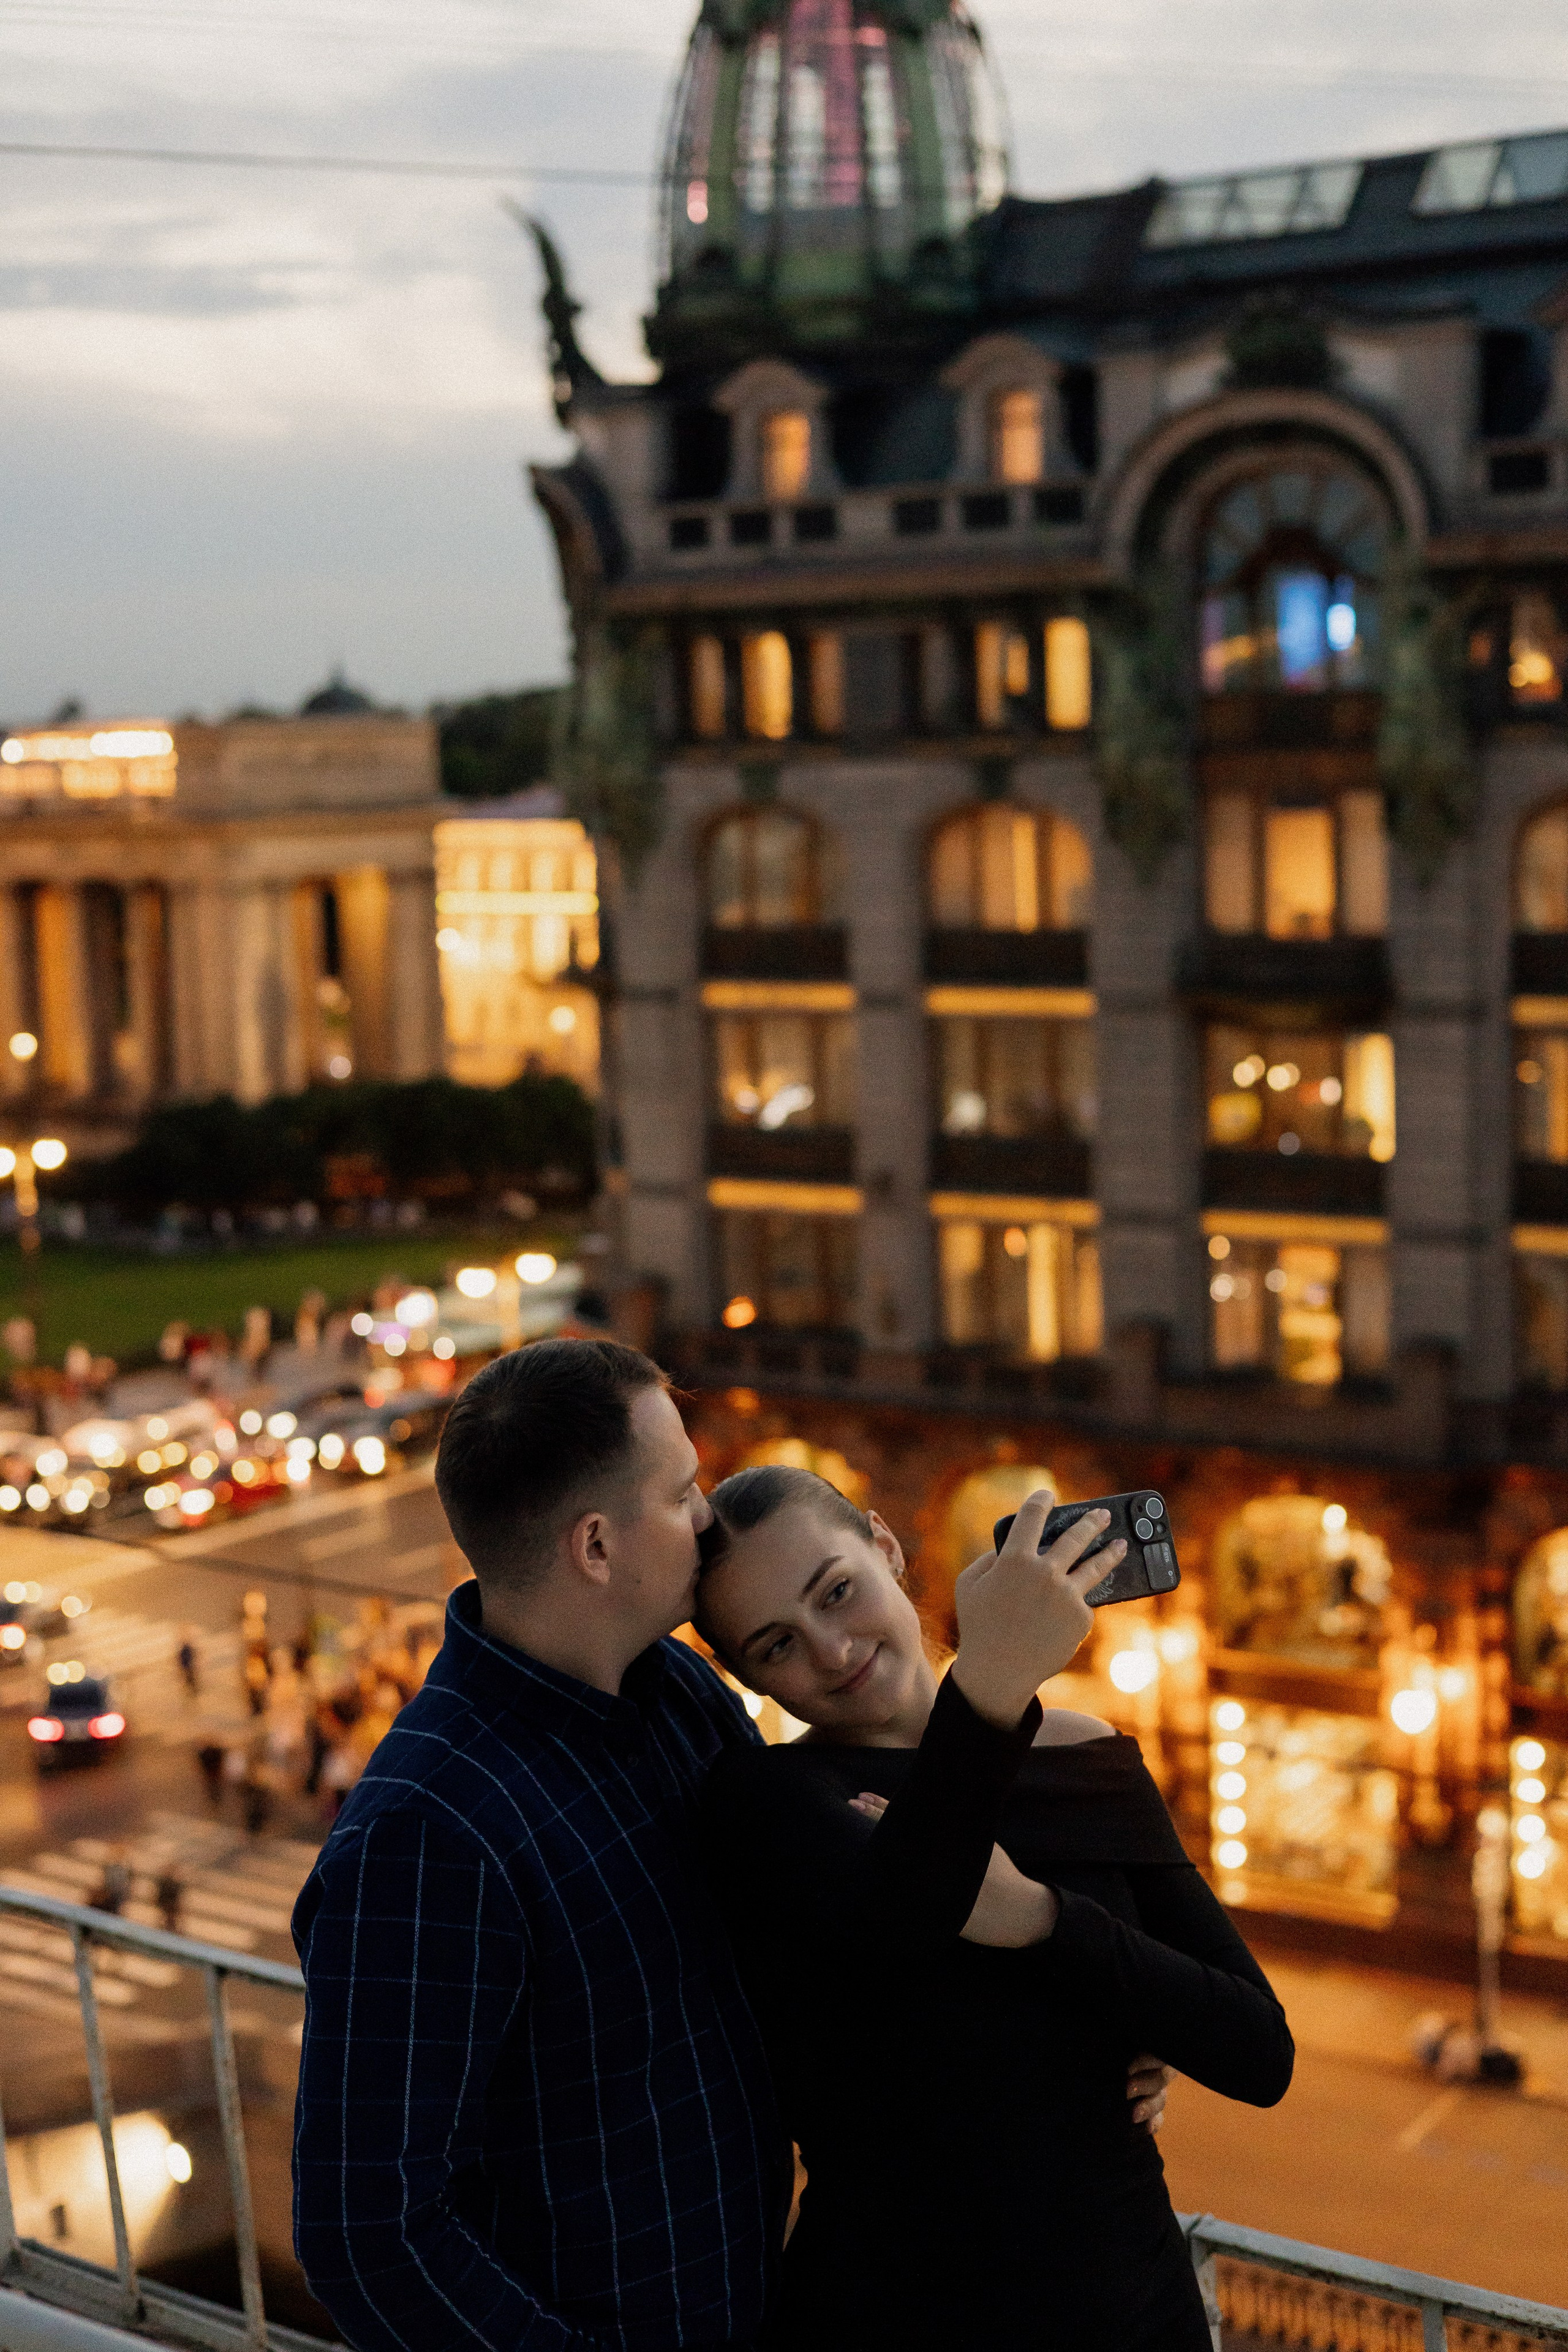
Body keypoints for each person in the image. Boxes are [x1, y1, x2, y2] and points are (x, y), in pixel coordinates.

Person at [290, 1338, 1126, 2352]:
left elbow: (853, 1928)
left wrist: (1081, 2037)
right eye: (683, 1491)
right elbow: (368, 2235)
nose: (707, 1517)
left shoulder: (676, 1693)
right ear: (596, 1548)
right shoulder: (430, 1832)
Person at [694, 1465, 1295, 2352]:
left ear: (885, 1545)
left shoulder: (1087, 1757)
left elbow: (1259, 2050)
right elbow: (906, 1913)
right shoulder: (772, 1803)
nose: (831, 1649)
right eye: (776, 1644)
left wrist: (1046, 1921)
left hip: (1134, 2311)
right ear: (747, 1677)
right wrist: (991, 1684)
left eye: (837, 1591)